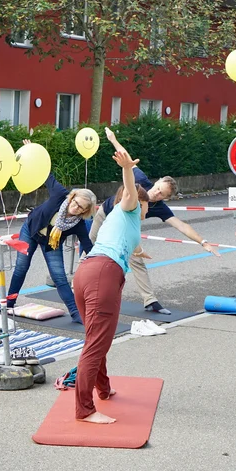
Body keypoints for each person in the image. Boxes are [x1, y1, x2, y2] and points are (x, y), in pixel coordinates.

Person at [71, 128, 147, 424]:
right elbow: (130, 190)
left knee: (96, 338)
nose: (147, 208)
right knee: (96, 344)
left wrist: (139, 253)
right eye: (146, 204)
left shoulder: (122, 220)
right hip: (103, 274)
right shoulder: (126, 208)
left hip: (88, 271)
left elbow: (131, 244)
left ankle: (103, 389)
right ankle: (84, 410)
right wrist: (127, 168)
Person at [93, 169, 220, 314]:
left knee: (137, 261)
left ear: (165, 198)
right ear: (157, 181)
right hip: (105, 214)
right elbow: (126, 163)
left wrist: (203, 242)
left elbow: (181, 225)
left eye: (161, 195)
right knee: (90, 246)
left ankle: (150, 301)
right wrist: (117, 148)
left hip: (124, 230)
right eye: (158, 188)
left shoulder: (160, 207)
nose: (156, 193)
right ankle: (78, 285)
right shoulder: (140, 179)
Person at [5, 142, 97, 324]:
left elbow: (87, 244)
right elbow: (46, 174)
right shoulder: (59, 194)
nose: (75, 208)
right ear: (72, 197)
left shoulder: (78, 223)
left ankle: (76, 314)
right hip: (31, 230)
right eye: (76, 202)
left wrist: (98, 259)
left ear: (85, 211)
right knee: (21, 268)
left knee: (59, 277)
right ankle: (9, 304)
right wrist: (33, 152)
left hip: (51, 243)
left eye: (81, 208)